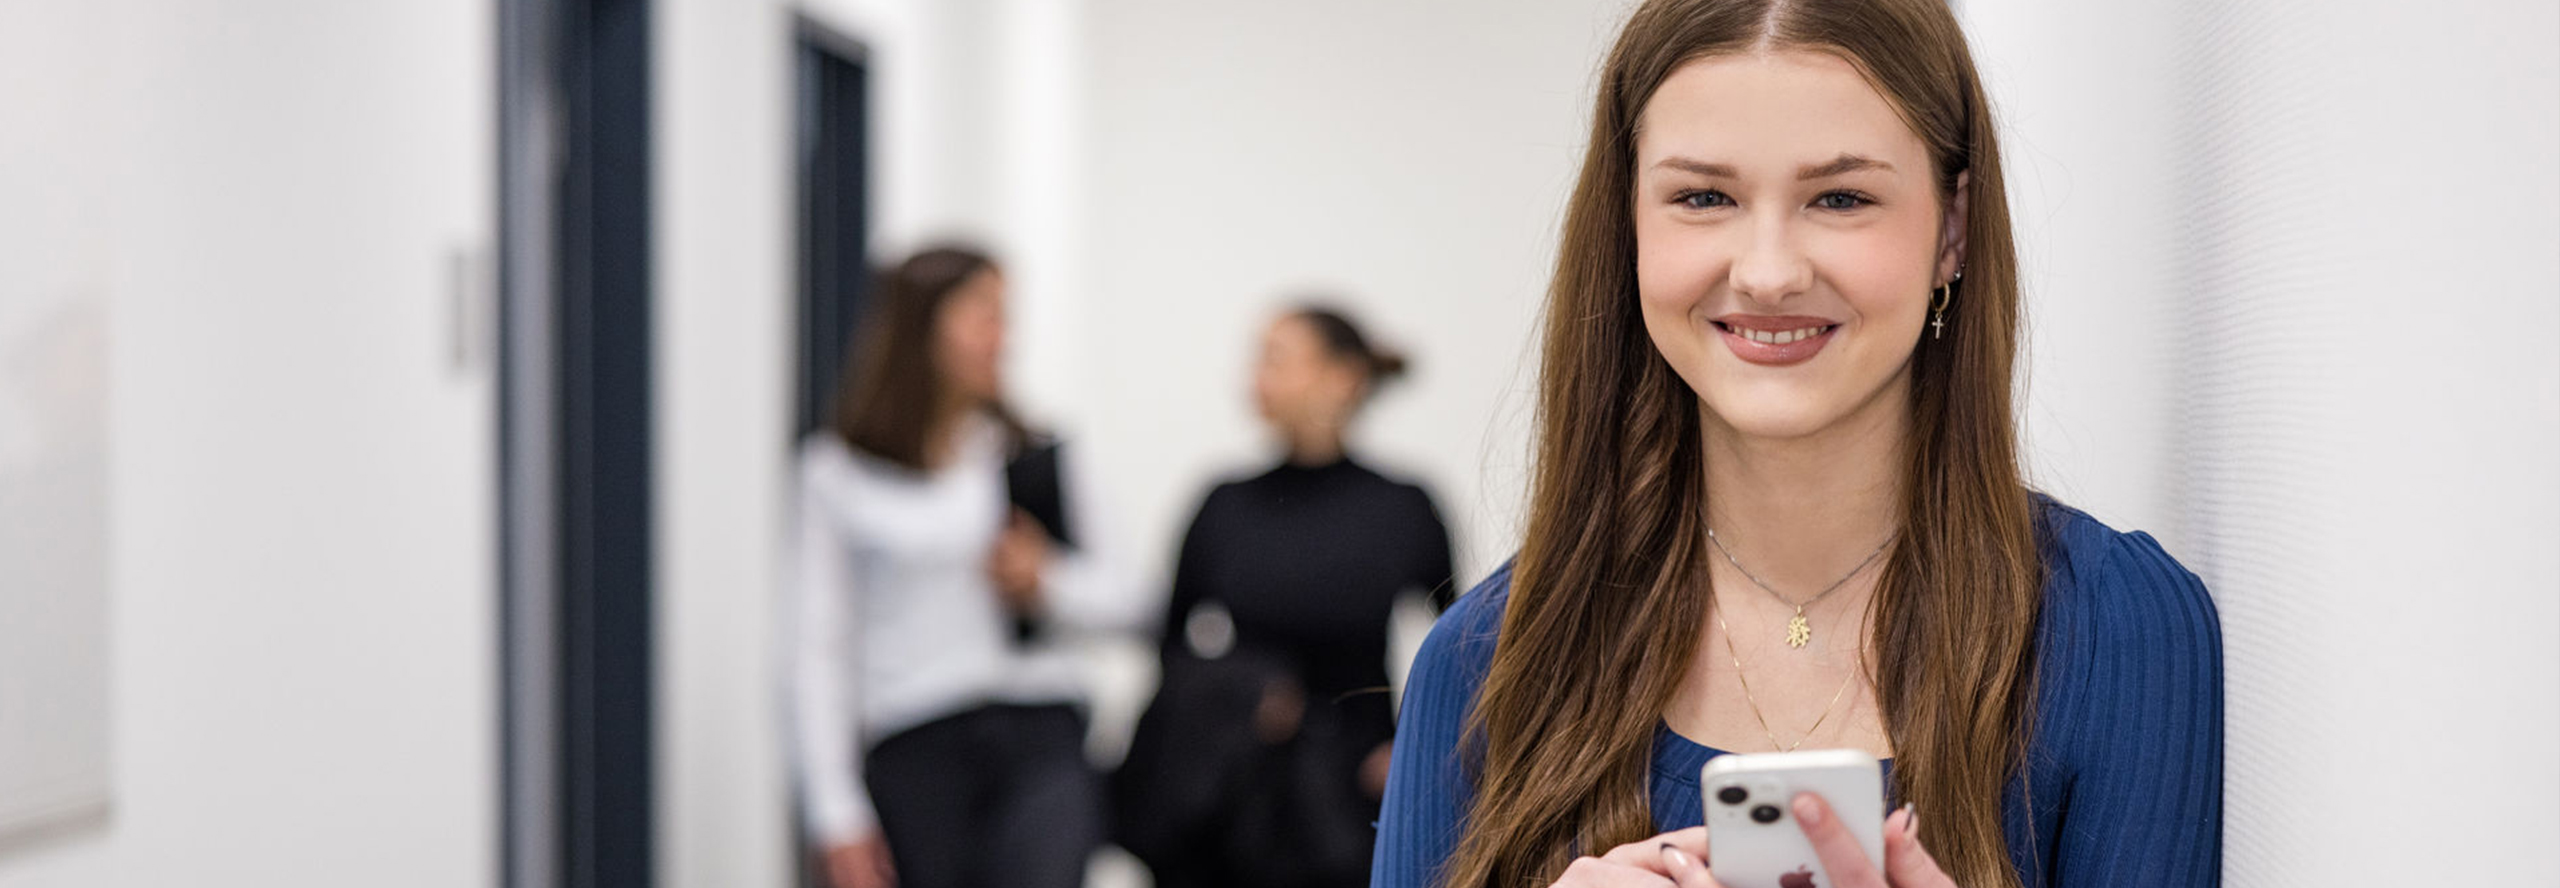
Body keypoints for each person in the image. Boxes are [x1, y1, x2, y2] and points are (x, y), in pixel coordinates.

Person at [1370, 2, 2223, 887]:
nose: (1769, 271)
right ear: (1628, 225)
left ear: (1953, 229)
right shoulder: (1488, 661)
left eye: (1841, 198)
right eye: (1703, 197)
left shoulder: (2116, 631)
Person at [790, 245, 1142, 888]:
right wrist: (834, 810)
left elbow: (1133, 604)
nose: (1000, 338)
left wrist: (1047, 581)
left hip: (1040, 735)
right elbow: (817, 647)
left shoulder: (1034, 457)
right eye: (982, 316)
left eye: (1005, 318)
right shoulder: (839, 476)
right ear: (921, 327)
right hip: (916, 748)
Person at [1114, 305, 1456, 888]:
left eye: (1275, 359)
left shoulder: (1401, 506)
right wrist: (1240, 695)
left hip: (1352, 796)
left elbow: (1463, 644)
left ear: (1342, 378)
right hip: (1233, 792)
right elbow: (1172, 646)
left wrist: (1414, 750)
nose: (1255, 379)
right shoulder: (1223, 504)